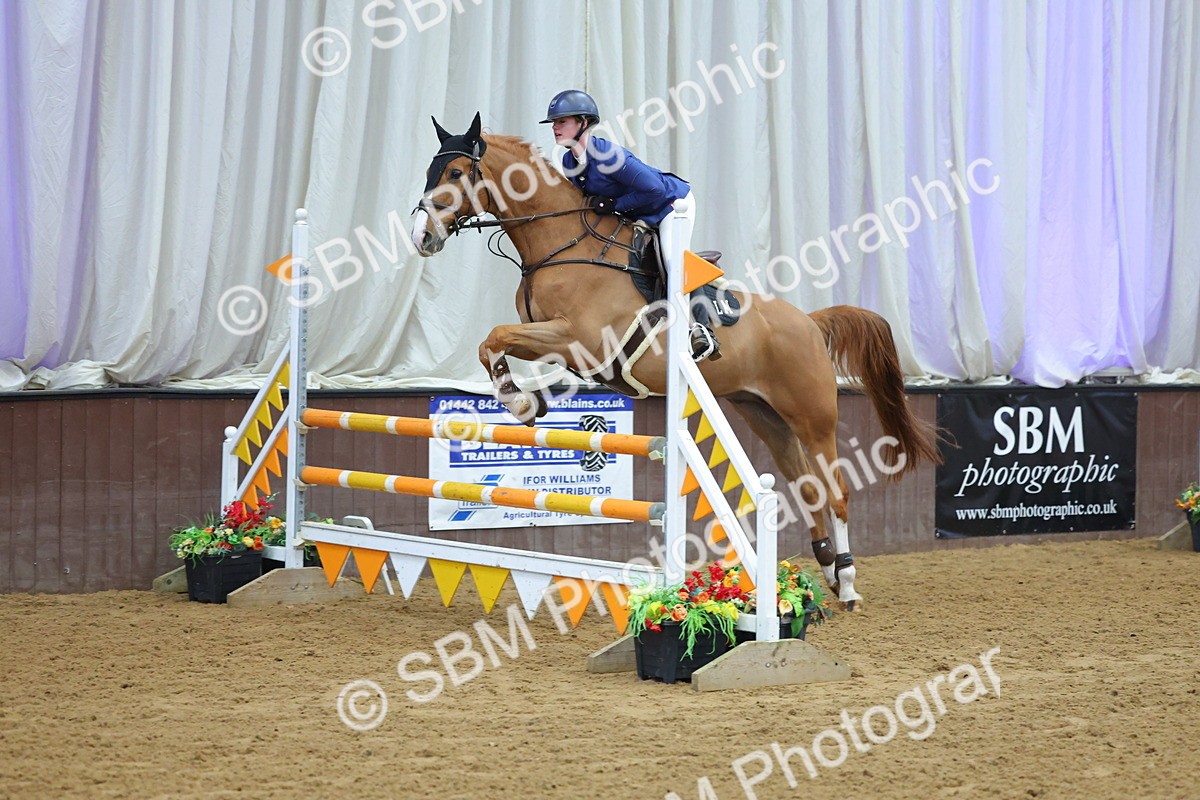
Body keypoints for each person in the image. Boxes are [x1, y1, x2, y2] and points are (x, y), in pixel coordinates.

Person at [540, 89, 720, 361]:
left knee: (673, 261)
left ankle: (699, 330)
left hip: (671, 205)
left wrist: (615, 205)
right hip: (639, 211)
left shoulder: (609, 155)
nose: (555, 128)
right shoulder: (568, 162)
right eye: (554, 123)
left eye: (561, 121)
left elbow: (655, 190)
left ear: (583, 123)